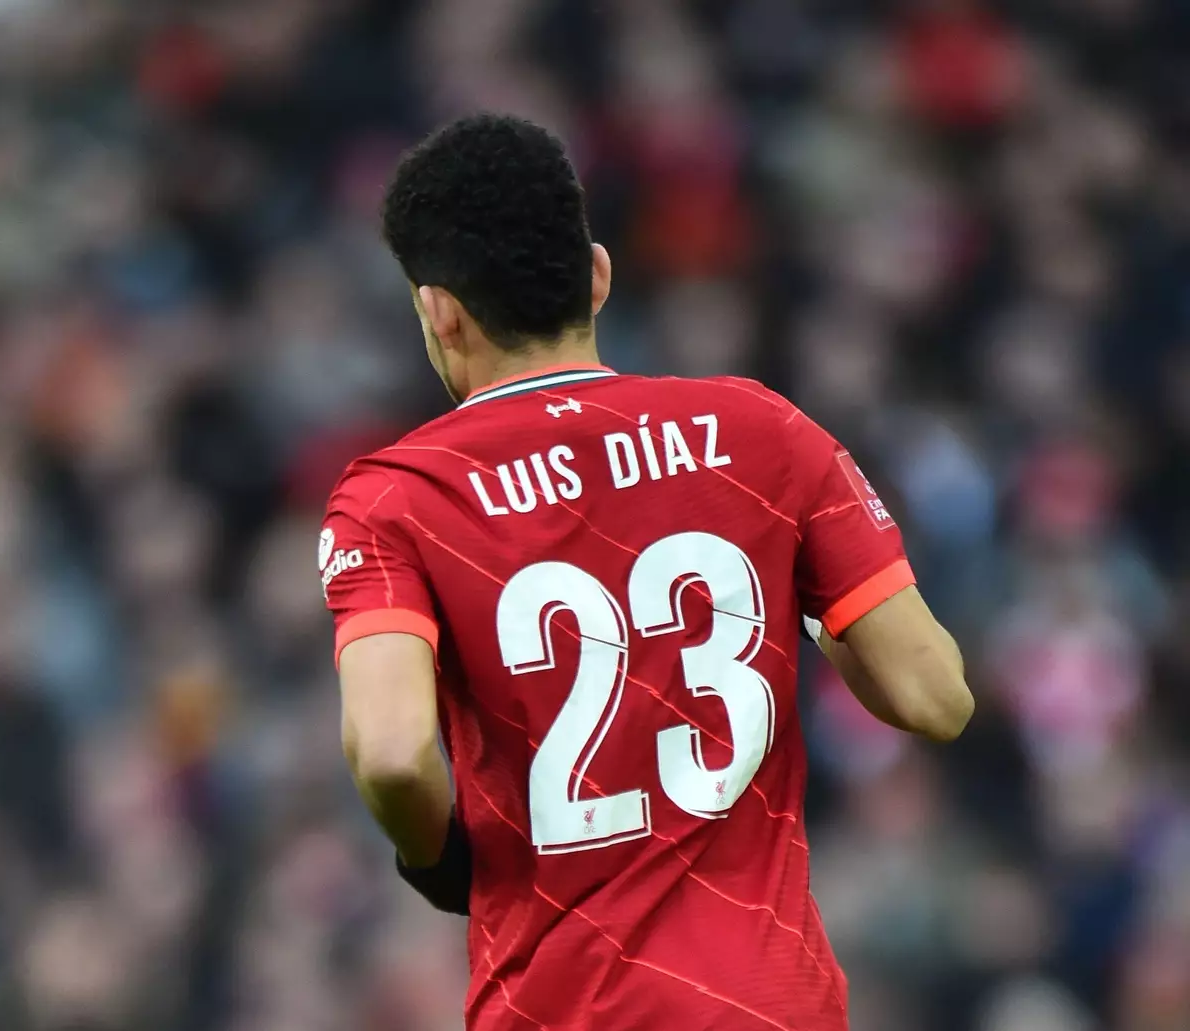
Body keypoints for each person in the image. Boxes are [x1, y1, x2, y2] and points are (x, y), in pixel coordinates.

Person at [320, 113, 973, 1031]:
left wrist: (434, 858)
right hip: (771, 1005)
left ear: (439, 311)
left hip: (564, 1008)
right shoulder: (761, 434)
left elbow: (390, 754)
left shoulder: (399, 498)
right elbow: (935, 697)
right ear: (597, 273)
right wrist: (808, 602)